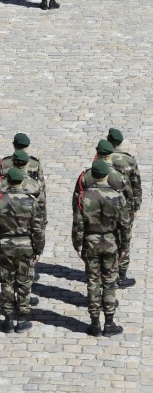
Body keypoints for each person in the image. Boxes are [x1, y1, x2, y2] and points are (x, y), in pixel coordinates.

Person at [72, 160, 130, 337]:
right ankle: (110, 322)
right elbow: (124, 225)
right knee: (109, 282)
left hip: (91, 242)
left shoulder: (84, 196)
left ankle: (95, 323)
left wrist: (78, 245)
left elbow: (78, 225)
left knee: (93, 282)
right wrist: (124, 247)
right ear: (106, 176)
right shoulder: (117, 196)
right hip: (111, 242)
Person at [0, 168, 44, 333]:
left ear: (8, 181)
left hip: (5, 245)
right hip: (26, 245)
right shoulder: (30, 201)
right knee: (25, 282)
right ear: (22, 182)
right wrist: (38, 250)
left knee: (7, 282)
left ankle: (9, 319)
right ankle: (23, 318)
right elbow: (38, 229)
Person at [76, 139, 135, 288]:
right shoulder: (120, 176)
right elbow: (130, 199)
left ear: (97, 153)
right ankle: (118, 277)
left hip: (91, 230)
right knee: (113, 261)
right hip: (114, 227)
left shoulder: (86, 176)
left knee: (94, 275)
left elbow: (76, 207)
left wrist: (78, 241)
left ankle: (95, 307)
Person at [107, 128, 142, 288]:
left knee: (109, 235)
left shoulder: (101, 158)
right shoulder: (128, 160)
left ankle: (106, 270)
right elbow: (136, 185)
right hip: (125, 206)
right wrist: (136, 206)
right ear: (120, 142)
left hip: (106, 204)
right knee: (124, 239)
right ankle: (121, 275)